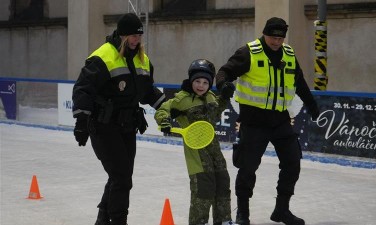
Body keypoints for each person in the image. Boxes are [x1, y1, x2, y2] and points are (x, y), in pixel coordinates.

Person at [216, 17, 320, 225]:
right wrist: (223, 85)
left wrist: (312, 105)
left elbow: (299, 82)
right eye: (273, 38)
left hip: (281, 121)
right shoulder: (249, 52)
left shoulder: (289, 54)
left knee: (292, 162)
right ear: (265, 34)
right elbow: (225, 71)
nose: (276, 42)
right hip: (254, 122)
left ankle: (282, 210)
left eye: (280, 38)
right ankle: (243, 213)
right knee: (247, 167)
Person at [72, 13, 165, 225]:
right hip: (104, 126)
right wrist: (81, 122)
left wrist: (167, 107)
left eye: (139, 36)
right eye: (132, 36)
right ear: (123, 35)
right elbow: (83, 89)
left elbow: (147, 90)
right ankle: (118, 220)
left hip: (127, 126)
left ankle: (103, 219)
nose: (136, 40)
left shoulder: (142, 58)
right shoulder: (103, 56)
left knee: (120, 177)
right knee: (122, 178)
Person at [154, 59, 237, 225]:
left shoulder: (211, 97)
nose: (201, 85)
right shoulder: (181, 99)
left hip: (214, 148)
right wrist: (164, 121)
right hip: (196, 152)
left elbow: (215, 113)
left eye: (205, 82)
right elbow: (163, 109)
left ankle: (224, 220)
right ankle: (199, 222)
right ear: (191, 81)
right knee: (203, 188)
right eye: (197, 81)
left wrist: (225, 98)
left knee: (222, 183)